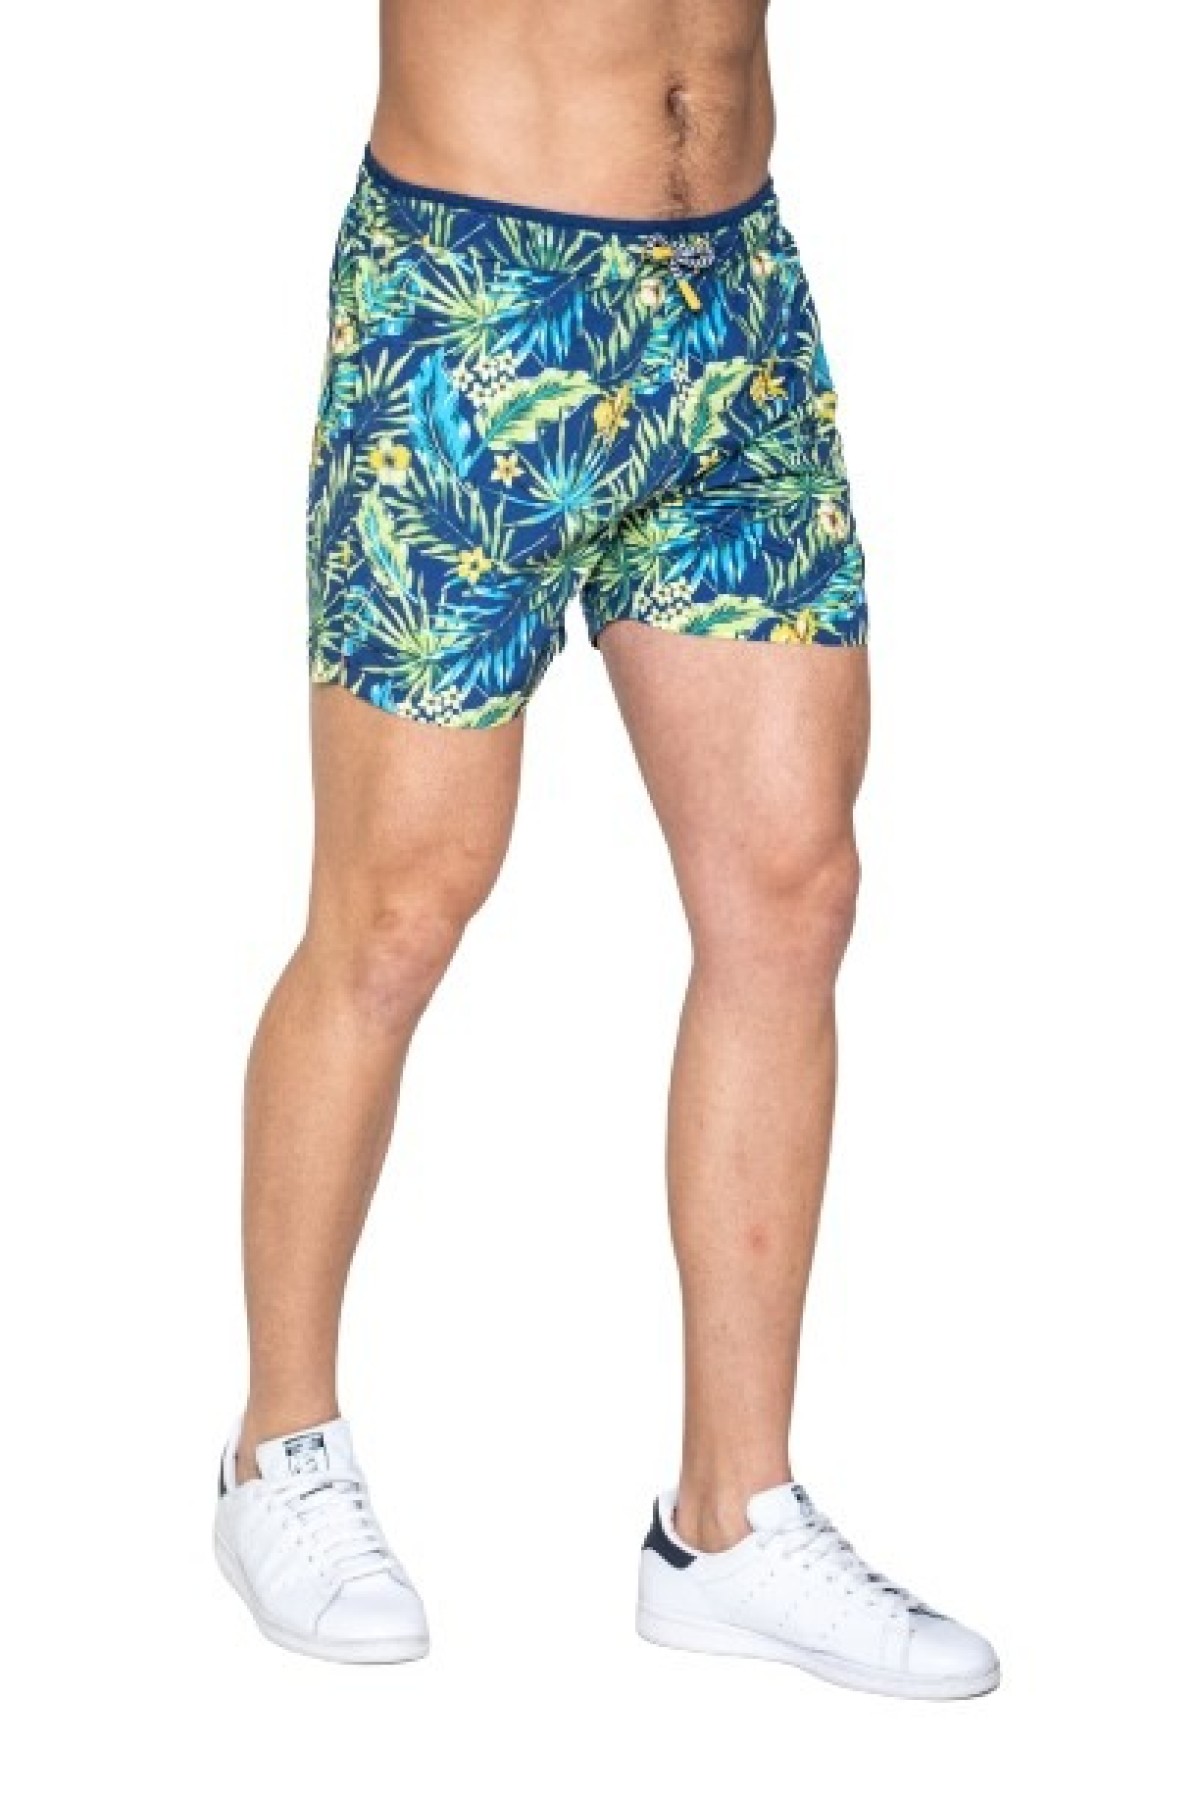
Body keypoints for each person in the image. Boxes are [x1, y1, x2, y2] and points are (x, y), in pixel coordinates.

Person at [214, 0, 999, 1698]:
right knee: (397, 907)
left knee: (792, 892)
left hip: (731, 304)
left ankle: (728, 1519)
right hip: (474, 299)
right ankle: (280, 1447)